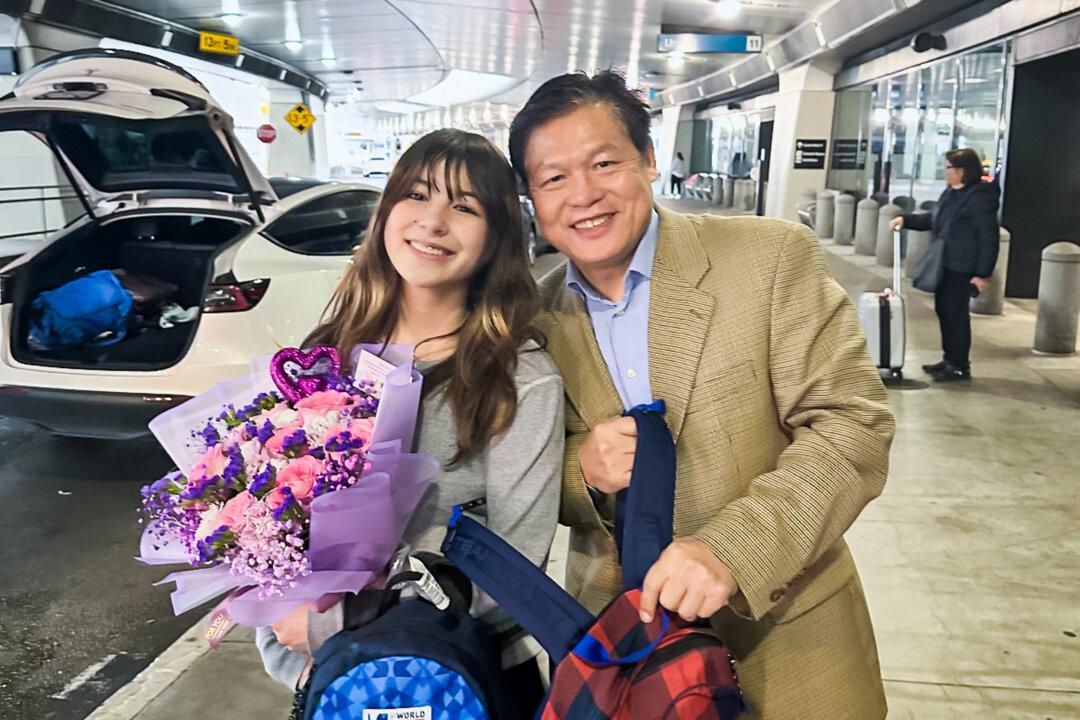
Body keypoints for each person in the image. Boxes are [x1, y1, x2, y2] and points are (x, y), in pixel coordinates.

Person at [508, 70, 895, 719]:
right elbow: (524, 475)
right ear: (532, 198)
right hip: (629, 658)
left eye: (604, 163)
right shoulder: (533, 321)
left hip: (790, 639)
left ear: (648, 159)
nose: (583, 195)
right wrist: (582, 470)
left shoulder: (768, 258)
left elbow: (852, 427)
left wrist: (732, 550)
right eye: (553, 178)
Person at [257, 128, 563, 718]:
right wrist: (287, 635)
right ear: (387, 210)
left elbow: (516, 571)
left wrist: (330, 625)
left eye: (465, 207)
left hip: (463, 681)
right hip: (335, 679)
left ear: (497, 236)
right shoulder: (327, 357)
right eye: (417, 195)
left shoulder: (518, 379)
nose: (433, 222)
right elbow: (272, 515)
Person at [891, 148, 1000, 381]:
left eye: (949, 167)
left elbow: (988, 238)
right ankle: (949, 358)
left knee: (956, 315)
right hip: (945, 264)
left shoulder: (980, 197)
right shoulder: (950, 193)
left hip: (963, 267)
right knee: (944, 311)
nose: (945, 171)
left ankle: (960, 366)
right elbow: (933, 219)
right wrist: (906, 220)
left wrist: (982, 274)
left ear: (963, 171)